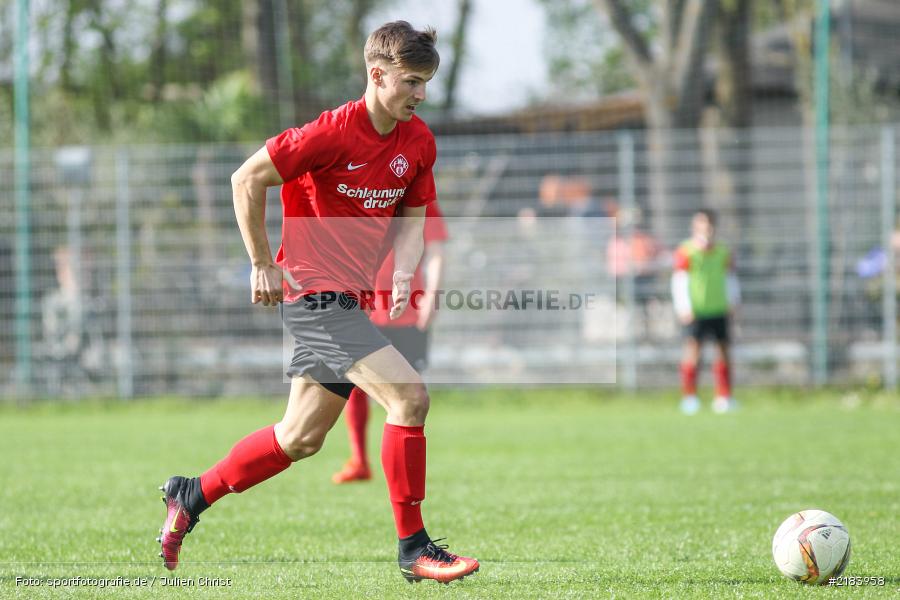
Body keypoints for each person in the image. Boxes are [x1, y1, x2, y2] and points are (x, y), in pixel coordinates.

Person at [156, 21, 479, 584]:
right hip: (313, 296)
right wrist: (261, 262)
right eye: (410, 81)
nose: (420, 94)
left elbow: (413, 214)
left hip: (348, 300)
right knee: (410, 399)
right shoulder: (330, 133)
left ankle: (191, 494)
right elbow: (246, 179)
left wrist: (404, 267)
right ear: (376, 75)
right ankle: (414, 549)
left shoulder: (418, 142)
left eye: (425, 82)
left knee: (298, 437)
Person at [332, 201, 448, 484]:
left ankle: (403, 462)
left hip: (408, 312)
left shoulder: (420, 200)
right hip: (365, 309)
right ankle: (359, 460)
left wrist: (432, 294)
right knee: (357, 386)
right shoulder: (364, 197)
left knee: (410, 394)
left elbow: (435, 250)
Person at [671, 209, 740, 414]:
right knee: (693, 352)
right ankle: (690, 398)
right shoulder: (686, 251)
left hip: (718, 307)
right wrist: (684, 306)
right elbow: (679, 280)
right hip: (696, 310)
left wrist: (733, 301)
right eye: (702, 223)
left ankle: (724, 397)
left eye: (709, 223)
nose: (706, 228)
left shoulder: (722, 251)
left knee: (723, 351)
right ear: (695, 226)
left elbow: (730, 278)